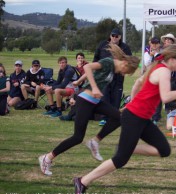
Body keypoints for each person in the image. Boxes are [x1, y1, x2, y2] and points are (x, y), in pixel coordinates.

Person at [73, 45, 176, 194]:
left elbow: (138, 83)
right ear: (172, 59)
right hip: (134, 117)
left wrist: (133, 100)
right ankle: (82, 181)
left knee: (164, 150)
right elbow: (166, 97)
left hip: (142, 118)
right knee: (120, 159)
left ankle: (129, 147)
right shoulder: (163, 71)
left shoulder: (158, 68)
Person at [38, 44, 140, 176]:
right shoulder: (108, 62)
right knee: (78, 137)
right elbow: (87, 67)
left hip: (95, 102)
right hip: (85, 101)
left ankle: (94, 141)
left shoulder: (114, 68)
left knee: (119, 117)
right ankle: (47, 158)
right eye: (126, 70)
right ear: (125, 63)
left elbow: (91, 74)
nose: (124, 73)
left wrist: (79, 81)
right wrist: (95, 88)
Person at [93, 28, 132, 126]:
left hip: (118, 77)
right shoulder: (103, 45)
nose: (115, 38)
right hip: (104, 76)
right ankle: (104, 118)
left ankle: (114, 118)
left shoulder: (125, 47)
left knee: (116, 98)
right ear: (110, 36)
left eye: (117, 36)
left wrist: (125, 70)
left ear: (120, 37)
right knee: (105, 97)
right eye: (113, 35)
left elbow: (130, 60)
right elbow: (96, 58)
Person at [59, 52, 88, 121]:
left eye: (81, 58)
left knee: (77, 95)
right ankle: (74, 114)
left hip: (86, 86)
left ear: (84, 59)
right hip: (78, 86)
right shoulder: (75, 68)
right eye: (78, 58)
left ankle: (71, 115)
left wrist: (81, 67)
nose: (80, 59)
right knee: (74, 94)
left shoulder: (86, 65)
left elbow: (85, 76)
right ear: (76, 59)